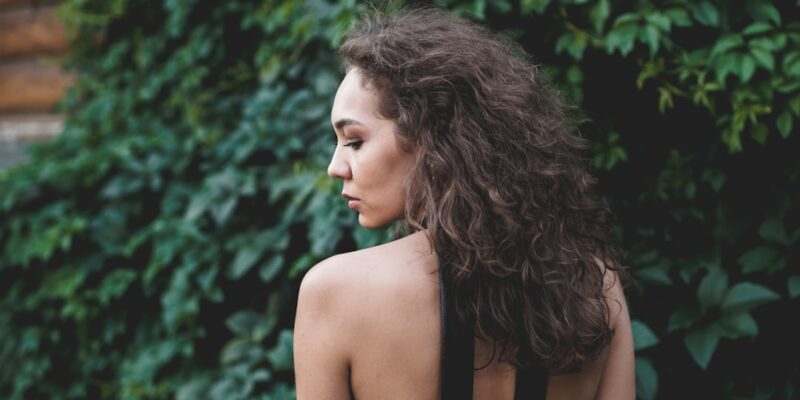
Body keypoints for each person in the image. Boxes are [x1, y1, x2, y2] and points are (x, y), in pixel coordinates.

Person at [293, 6, 635, 400]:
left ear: (433, 137)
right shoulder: (595, 284)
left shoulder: (337, 293)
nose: (336, 167)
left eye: (354, 141)